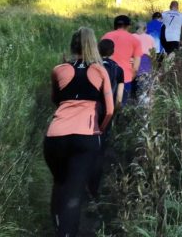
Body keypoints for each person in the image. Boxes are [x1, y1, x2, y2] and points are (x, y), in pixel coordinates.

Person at [44, 27, 114, 237]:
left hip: (55, 136)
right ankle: (66, 233)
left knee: (60, 183)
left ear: (72, 46)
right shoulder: (100, 71)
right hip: (85, 137)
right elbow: (110, 110)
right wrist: (99, 130)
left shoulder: (59, 69)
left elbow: (56, 100)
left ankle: (58, 227)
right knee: (74, 194)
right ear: (93, 45)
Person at [88, 39, 124, 200]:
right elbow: (119, 99)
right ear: (112, 51)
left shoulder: (91, 66)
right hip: (107, 112)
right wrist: (115, 112)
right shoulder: (118, 69)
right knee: (100, 149)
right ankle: (94, 189)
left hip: (89, 111)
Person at [101, 15, 143, 105]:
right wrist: (130, 78)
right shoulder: (135, 40)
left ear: (115, 25)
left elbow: (99, 57)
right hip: (125, 78)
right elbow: (136, 67)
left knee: (104, 106)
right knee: (121, 106)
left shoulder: (106, 36)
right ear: (128, 26)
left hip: (106, 76)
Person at [132, 21, 156, 98]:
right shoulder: (151, 38)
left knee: (132, 87)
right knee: (144, 87)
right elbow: (153, 54)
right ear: (145, 29)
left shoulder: (132, 37)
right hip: (146, 63)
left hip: (133, 62)